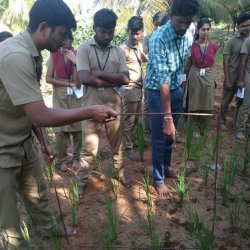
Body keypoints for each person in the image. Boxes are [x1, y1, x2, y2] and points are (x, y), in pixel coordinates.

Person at [0, 1, 116, 249]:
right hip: (2, 149)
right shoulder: (15, 56)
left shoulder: (32, 54)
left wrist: (42, 142)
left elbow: (29, 106)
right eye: (62, 34)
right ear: (44, 27)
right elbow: (40, 114)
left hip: (21, 142)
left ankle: (50, 231)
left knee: (37, 194)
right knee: (7, 218)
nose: (64, 41)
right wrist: (91, 110)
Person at [145, 0, 199, 197]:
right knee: (160, 137)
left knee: (171, 136)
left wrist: (182, 88)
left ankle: (166, 168)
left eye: (187, 22)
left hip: (176, 88)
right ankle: (158, 179)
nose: (183, 27)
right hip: (158, 93)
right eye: (180, 22)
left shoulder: (190, 29)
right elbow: (163, 83)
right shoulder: (159, 38)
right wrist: (167, 118)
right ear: (171, 16)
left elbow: (186, 60)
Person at [76, 8, 131, 199]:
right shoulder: (84, 48)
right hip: (91, 109)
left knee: (118, 145)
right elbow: (84, 77)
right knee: (89, 149)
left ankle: (122, 174)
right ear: (95, 28)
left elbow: (125, 79)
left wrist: (98, 73)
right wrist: (112, 79)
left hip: (114, 107)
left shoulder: (117, 51)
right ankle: (82, 181)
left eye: (110, 32)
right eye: (103, 32)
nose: (107, 36)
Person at [46, 32, 82, 172]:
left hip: (75, 99)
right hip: (60, 99)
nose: (63, 45)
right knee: (60, 132)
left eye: (65, 42)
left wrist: (75, 62)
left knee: (78, 130)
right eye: (61, 43)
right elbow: (48, 78)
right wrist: (67, 84)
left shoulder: (78, 54)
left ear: (71, 41)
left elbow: (77, 81)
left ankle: (77, 158)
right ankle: (61, 160)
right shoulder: (54, 55)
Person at [120, 16, 147, 161]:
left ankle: (132, 142)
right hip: (129, 89)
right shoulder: (123, 49)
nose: (135, 36)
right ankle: (127, 149)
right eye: (132, 33)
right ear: (128, 32)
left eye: (137, 33)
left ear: (142, 32)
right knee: (128, 120)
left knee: (136, 119)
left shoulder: (139, 46)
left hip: (139, 87)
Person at [185, 18, 219, 133]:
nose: (205, 32)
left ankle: (203, 127)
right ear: (198, 30)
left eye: (208, 29)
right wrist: (185, 80)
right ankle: (193, 128)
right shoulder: (192, 46)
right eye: (203, 29)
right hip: (195, 75)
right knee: (194, 101)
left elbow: (211, 62)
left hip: (208, 75)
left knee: (207, 101)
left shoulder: (214, 47)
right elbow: (187, 66)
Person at [219, 13, 250, 131]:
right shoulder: (231, 42)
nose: (247, 28)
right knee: (226, 101)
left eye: (249, 25)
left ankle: (237, 121)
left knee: (240, 101)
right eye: (243, 26)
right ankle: (221, 120)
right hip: (231, 77)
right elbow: (225, 62)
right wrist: (227, 79)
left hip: (244, 78)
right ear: (238, 27)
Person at [143, 12, 169, 136]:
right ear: (154, 25)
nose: (158, 27)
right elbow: (144, 56)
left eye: (161, 25)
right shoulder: (148, 38)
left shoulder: (169, 38)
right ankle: (147, 131)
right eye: (156, 25)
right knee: (147, 105)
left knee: (165, 105)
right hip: (151, 77)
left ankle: (163, 130)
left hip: (165, 77)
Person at [235, 36, 250, 140]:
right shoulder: (248, 41)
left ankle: (248, 127)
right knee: (247, 104)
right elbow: (243, 61)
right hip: (248, 76)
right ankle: (239, 129)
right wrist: (240, 80)